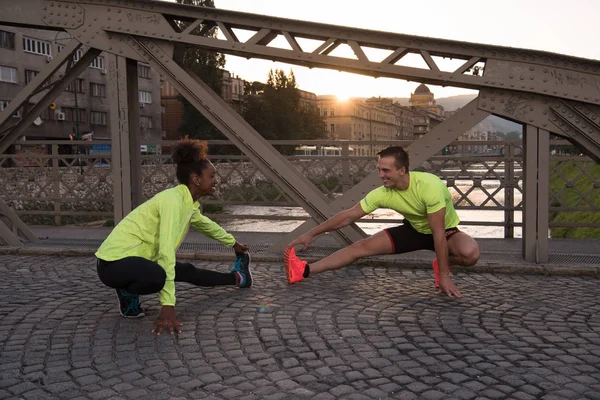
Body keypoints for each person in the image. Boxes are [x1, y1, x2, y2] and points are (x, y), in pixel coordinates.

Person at [95, 138, 252, 335]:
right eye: (211, 176)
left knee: (187, 271)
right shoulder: (172, 201)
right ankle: (128, 292)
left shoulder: (187, 202)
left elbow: (206, 225)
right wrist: (168, 306)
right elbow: (166, 252)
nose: (215, 180)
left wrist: (233, 243)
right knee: (158, 276)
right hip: (112, 264)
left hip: (138, 261)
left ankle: (238, 278)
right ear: (196, 179)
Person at [284, 145, 479, 298]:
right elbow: (348, 216)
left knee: (471, 254)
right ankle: (303, 269)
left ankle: (441, 264)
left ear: (402, 170)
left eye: (386, 170)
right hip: (414, 231)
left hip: (445, 232)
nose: (381, 175)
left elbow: (438, 233)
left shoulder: (429, 186)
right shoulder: (383, 193)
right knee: (359, 247)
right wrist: (311, 233)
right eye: (379, 169)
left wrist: (444, 276)